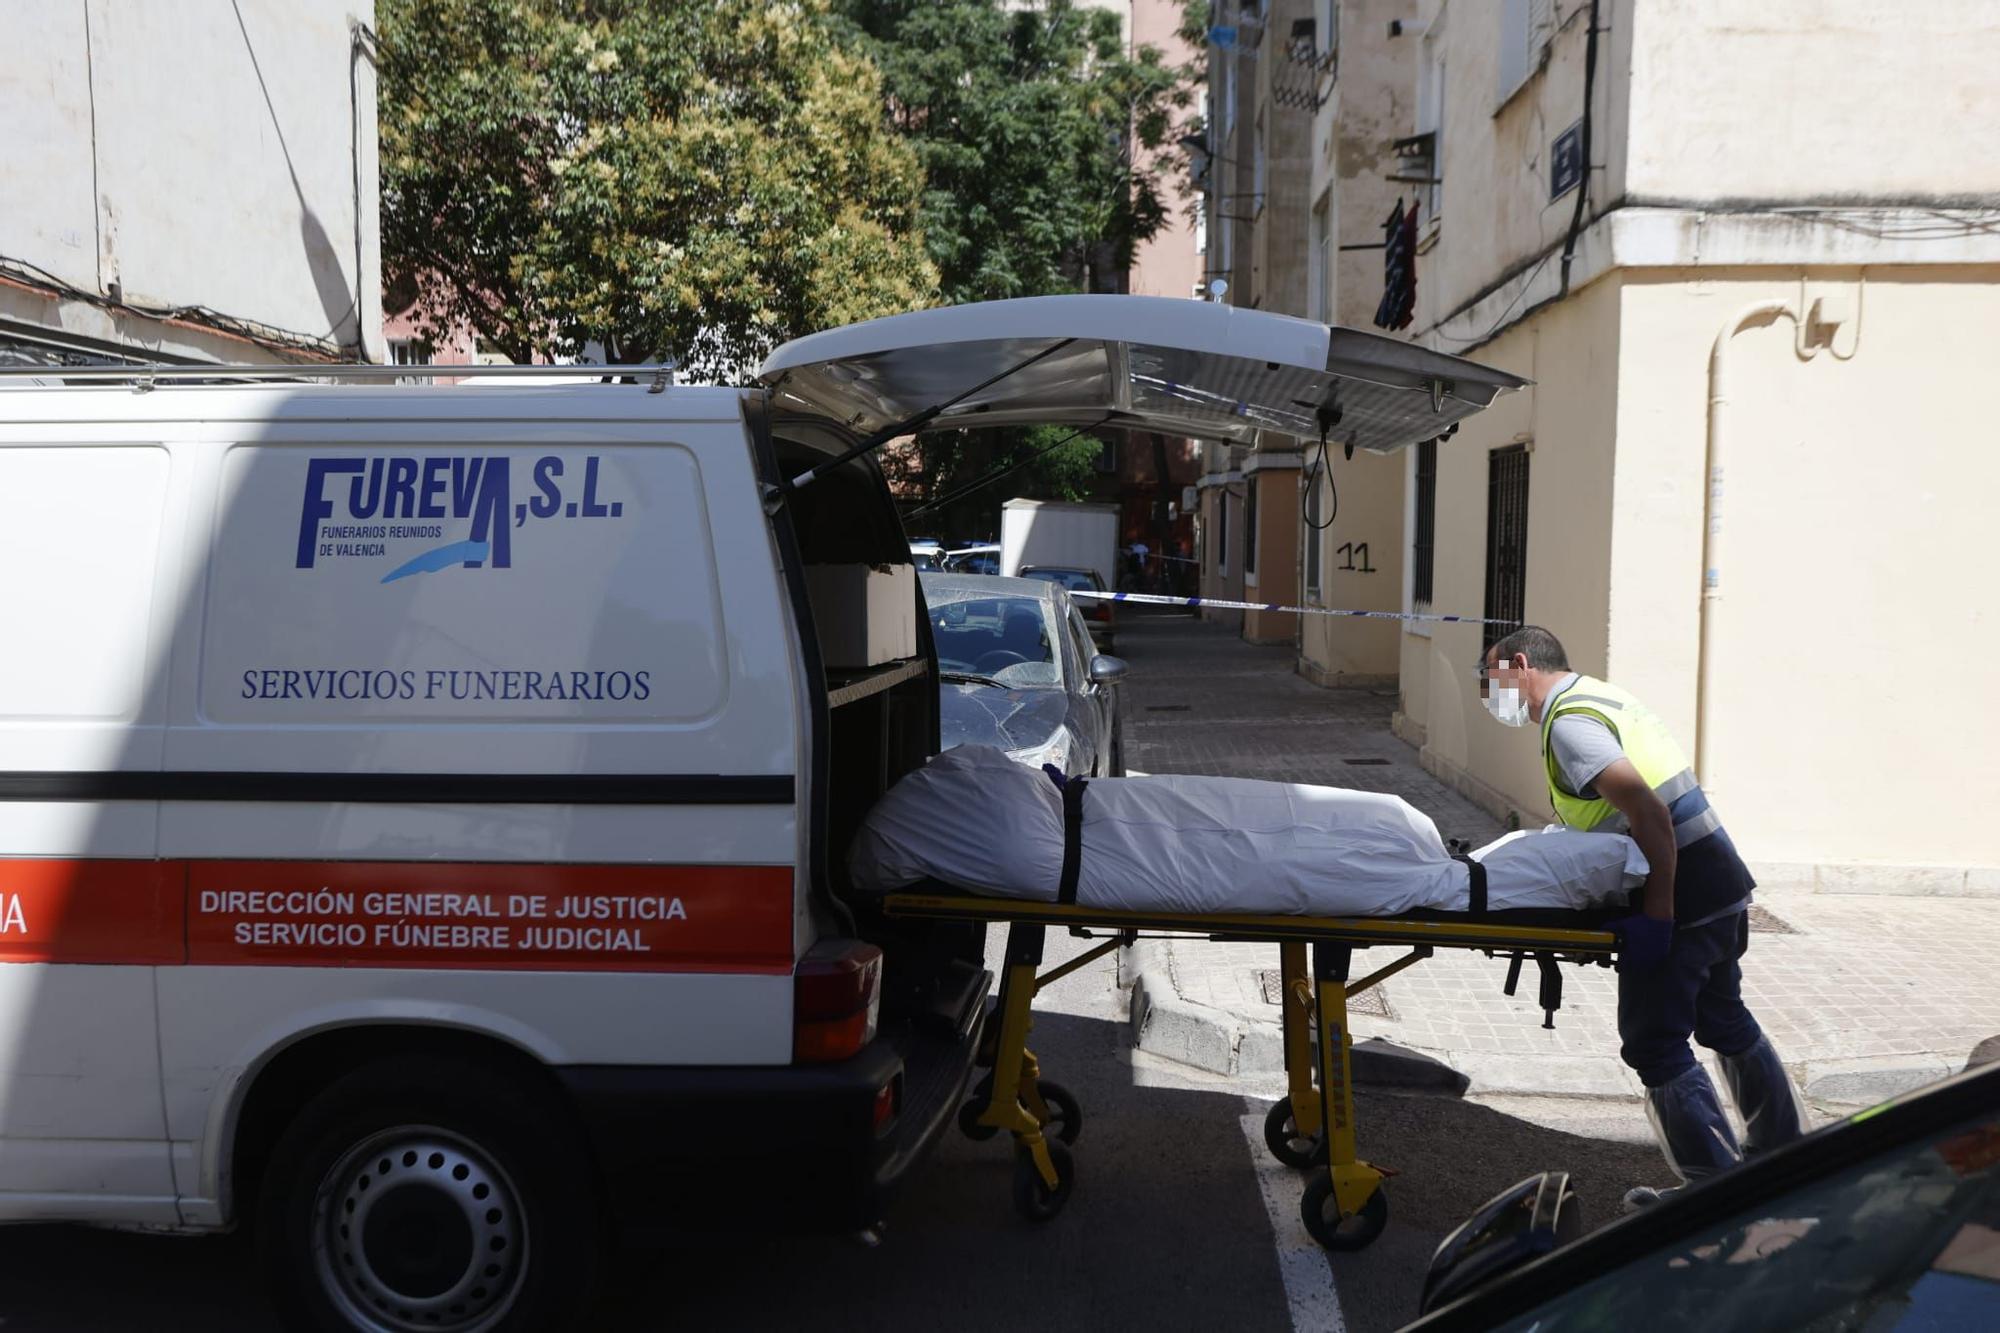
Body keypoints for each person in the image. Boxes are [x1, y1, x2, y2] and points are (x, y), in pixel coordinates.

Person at [1478, 626, 1806, 1210]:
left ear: (1520, 664)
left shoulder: (1571, 723)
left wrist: (1658, 914)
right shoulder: (1601, 696)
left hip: (1682, 893)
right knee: (1724, 1017)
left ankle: (1711, 1194)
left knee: (1654, 1043)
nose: (1489, 692)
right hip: (1720, 880)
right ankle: (1787, 1157)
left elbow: (1650, 812)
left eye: (1491, 677)